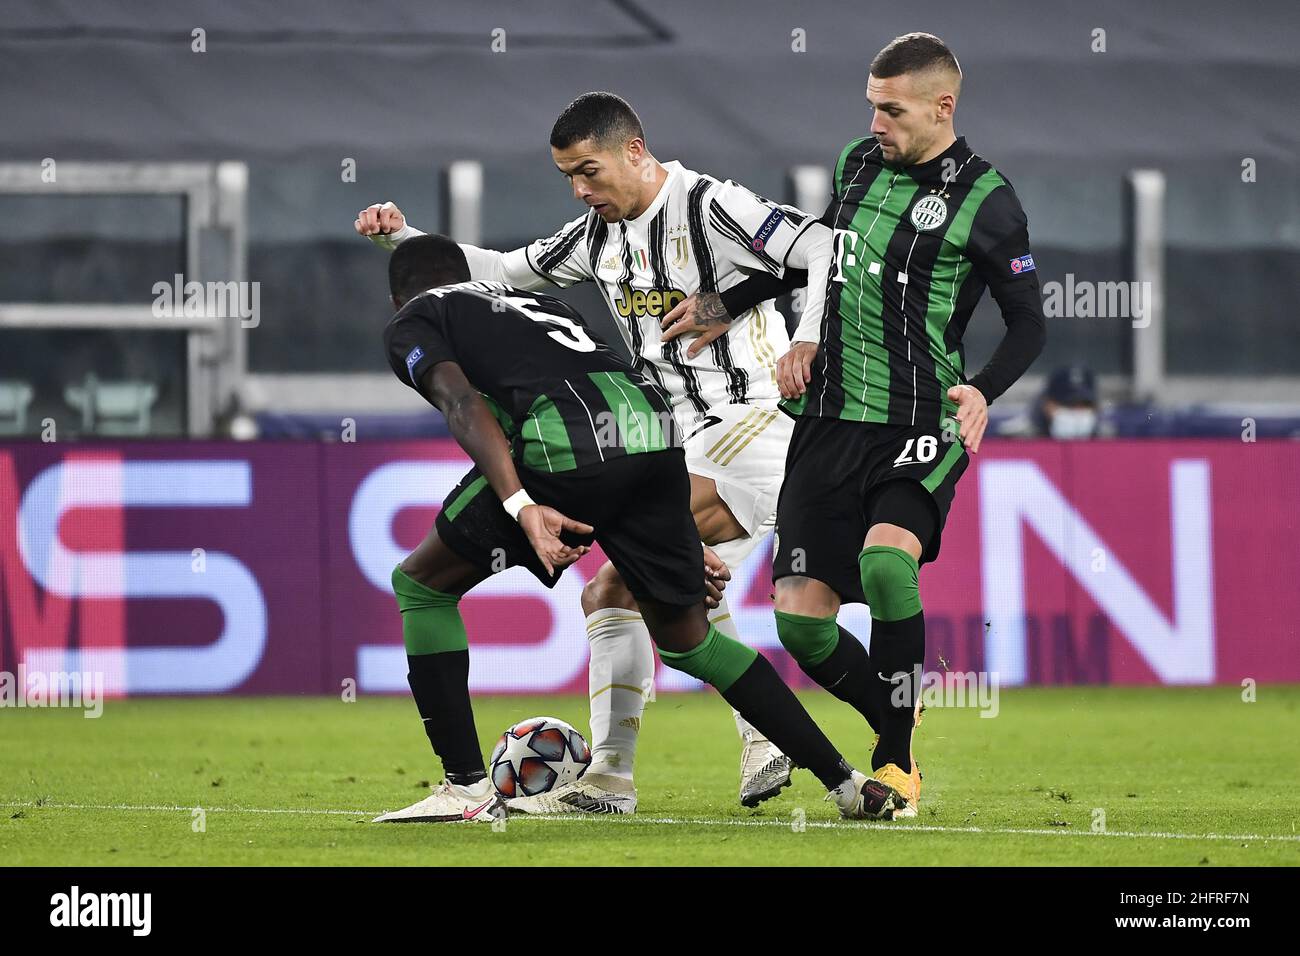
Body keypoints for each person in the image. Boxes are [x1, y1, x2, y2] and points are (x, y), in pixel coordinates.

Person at [356, 91, 834, 812]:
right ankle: (665, 763)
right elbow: (502, 271)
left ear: (633, 151)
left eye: (589, 171)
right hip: (668, 438)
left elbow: (825, 245)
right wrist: (407, 239)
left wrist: (804, 334)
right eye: (567, 178)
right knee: (619, 590)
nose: (580, 190)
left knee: (639, 585)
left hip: (750, 423)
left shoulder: (713, 206)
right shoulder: (595, 237)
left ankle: (682, 760)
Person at [692, 33, 1047, 818]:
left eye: (892, 108)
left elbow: (1028, 322)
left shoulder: (988, 199)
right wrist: (734, 304)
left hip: (921, 416)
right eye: (871, 106)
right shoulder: (858, 162)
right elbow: (819, 257)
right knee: (800, 626)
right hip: (826, 418)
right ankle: (897, 708)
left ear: (942, 106)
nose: (876, 121)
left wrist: (982, 390)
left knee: (889, 567)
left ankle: (896, 761)